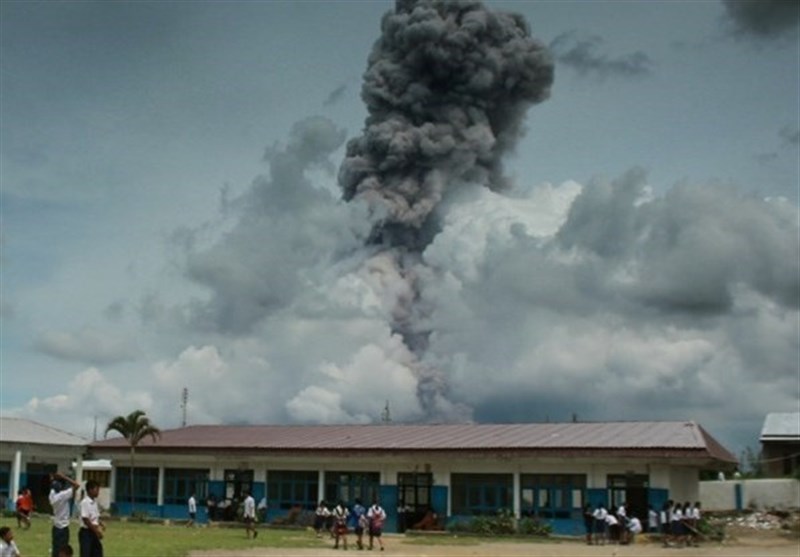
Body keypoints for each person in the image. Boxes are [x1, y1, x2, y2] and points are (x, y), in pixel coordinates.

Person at [49, 472, 81, 557]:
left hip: (56, 527)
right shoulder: (63, 495)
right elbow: (77, 485)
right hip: (63, 527)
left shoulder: (51, 496)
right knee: (64, 551)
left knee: (56, 550)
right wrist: (64, 477)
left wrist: (54, 478)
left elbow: (53, 486)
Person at [79, 480, 104, 557]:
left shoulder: (94, 502)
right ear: (90, 490)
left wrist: (101, 523)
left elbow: (95, 516)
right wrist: (97, 531)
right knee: (86, 553)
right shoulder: (85, 502)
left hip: (93, 532)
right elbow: (86, 520)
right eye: (96, 490)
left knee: (97, 552)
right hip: (87, 532)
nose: (98, 492)